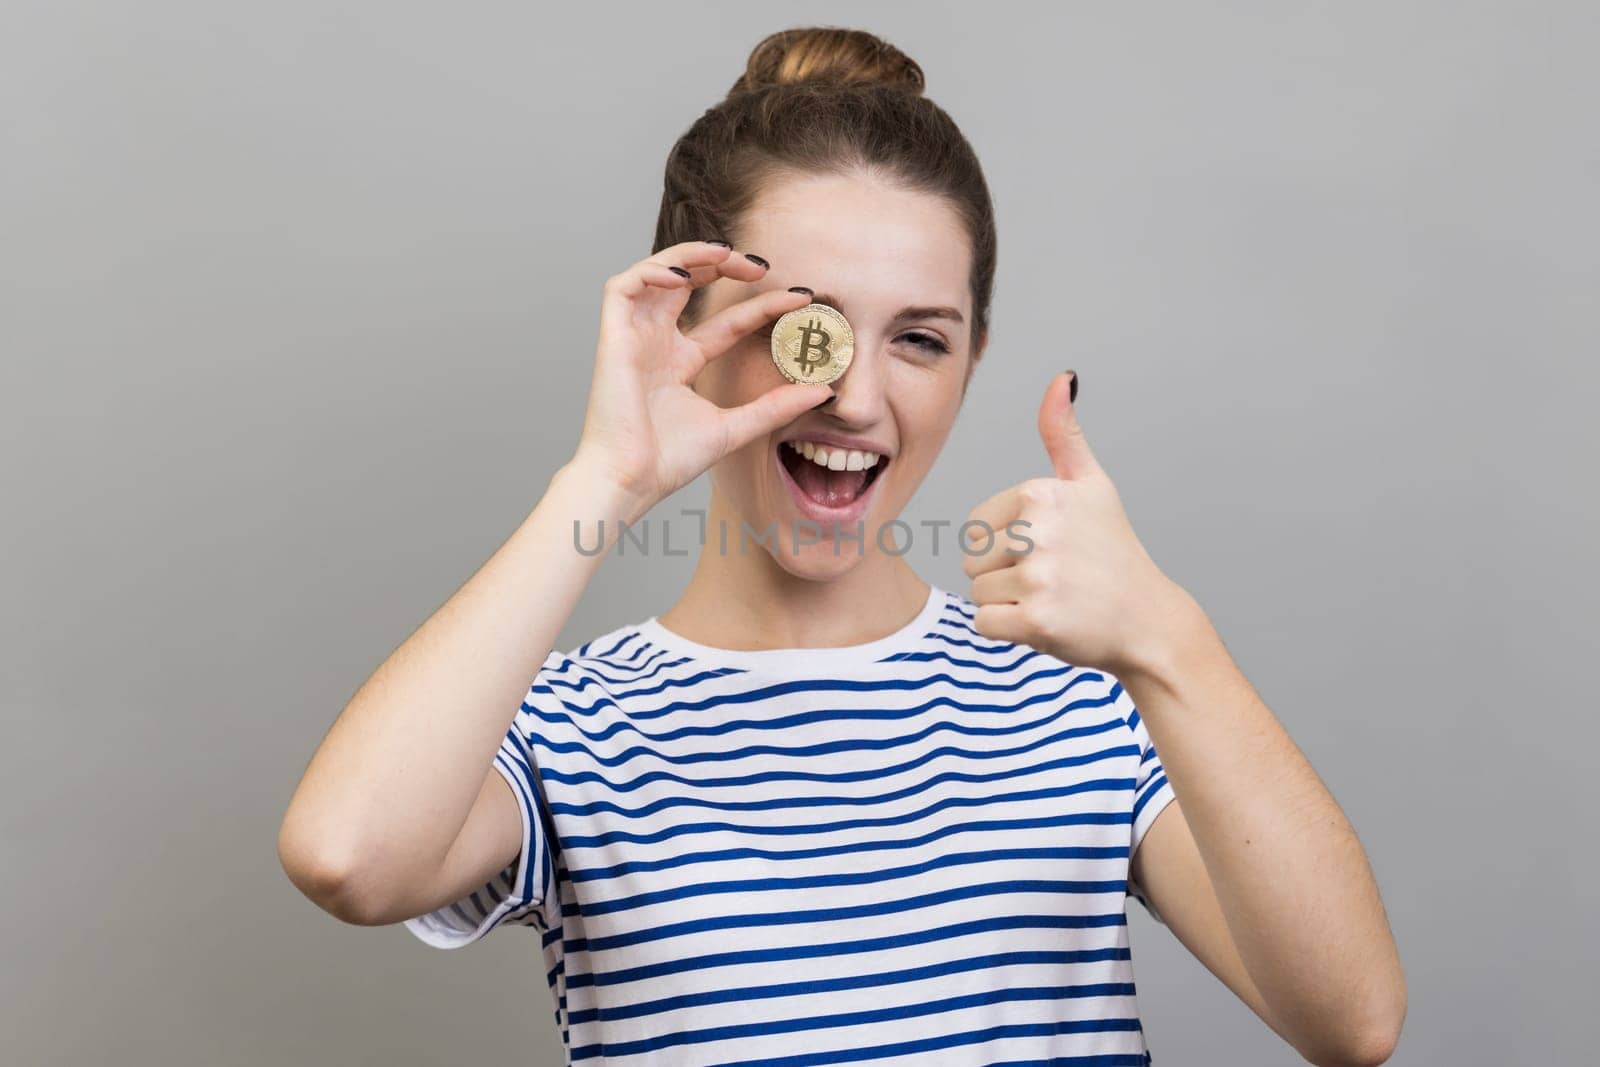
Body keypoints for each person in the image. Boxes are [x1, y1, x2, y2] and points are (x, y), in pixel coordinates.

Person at [278, 25, 1405, 1067]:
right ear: (691, 326)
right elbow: (348, 856)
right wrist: (606, 477)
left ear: (970, 362)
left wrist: (1170, 640)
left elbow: (1349, 1020)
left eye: (919, 338)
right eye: (802, 328)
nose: (855, 398)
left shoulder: (1082, 698)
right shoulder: (568, 726)